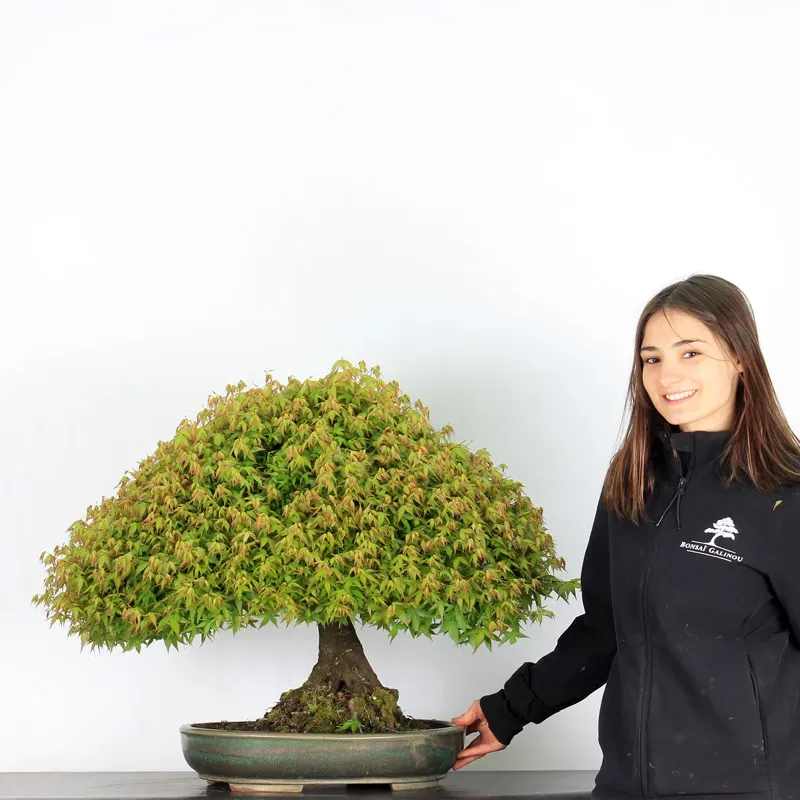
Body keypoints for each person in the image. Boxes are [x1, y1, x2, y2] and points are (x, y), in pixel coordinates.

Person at [452, 275, 800, 800]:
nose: (666, 376)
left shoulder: (784, 493)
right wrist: (509, 709)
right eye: (651, 359)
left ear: (739, 357)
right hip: (624, 785)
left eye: (690, 352)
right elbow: (605, 629)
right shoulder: (634, 479)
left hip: (750, 788)